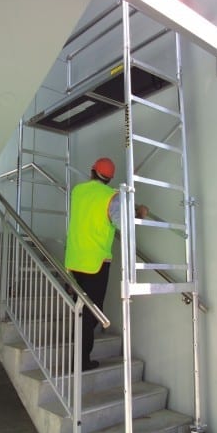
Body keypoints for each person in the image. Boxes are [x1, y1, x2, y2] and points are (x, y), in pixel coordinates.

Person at [65, 157, 148, 371]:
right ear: (110, 178)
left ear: (92, 171)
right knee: (92, 312)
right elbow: (122, 224)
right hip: (95, 263)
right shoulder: (111, 196)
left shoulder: (77, 191)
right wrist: (138, 212)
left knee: (81, 310)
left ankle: (79, 357)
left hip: (74, 261)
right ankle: (81, 361)